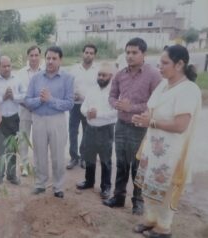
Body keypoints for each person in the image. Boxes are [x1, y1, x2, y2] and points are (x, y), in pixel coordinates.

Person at [132, 45, 201, 238]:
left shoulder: (188, 90)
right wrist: (144, 117)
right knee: (149, 185)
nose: (159, 66)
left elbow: (180, 125)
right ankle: (150, 219)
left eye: (164, 63)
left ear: (179, 64)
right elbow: (152, 109)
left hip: (172, 153)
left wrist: (151, 122)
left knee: (166, 189)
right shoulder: (164, 84)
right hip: (153, 148)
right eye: (159, 62)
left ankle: (164, 227)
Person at [103, 37, 161, 215]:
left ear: (144, 54)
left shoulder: (153, 75)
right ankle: (118, 197)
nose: (130, 56)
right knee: (121, 163)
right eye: (127, 52)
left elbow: (156, 103)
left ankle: (138, 201)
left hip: (140, 128)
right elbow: (111, 96)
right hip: (121, 126)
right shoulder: (120, 75)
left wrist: (132, 107)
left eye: (134, 52)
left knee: (138, 166)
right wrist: (116, 104)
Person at [25, 46, 74, 198]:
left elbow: (69, 103)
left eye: (54, 58)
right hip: (38, 119)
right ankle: (40, 184)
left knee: (58, 155)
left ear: (60, 60)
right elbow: (27, 101)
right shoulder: (36, 78)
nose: (50, 61)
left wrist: (50, 100)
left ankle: (58, 187)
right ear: (44, 59)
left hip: (57, 120)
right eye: (48, 58)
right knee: (39, 154)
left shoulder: (68, 78)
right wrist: (40, 99)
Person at [76, 62, 117, 200]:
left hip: (105, 130)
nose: (101, 77)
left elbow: (115, 113)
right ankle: (89, 181)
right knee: (89, 157)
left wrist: (97, 114)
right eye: (99, 74)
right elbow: (83, 107)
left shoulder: (115, 92)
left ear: (111, 76)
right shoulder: (92, 90)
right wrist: (87, 112)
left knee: (105, 160)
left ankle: (106, 187)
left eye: (104, 75)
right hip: (90, 129)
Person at [0, 56, 22, 185]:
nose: (7, 68)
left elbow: (24, 96)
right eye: (4, 66)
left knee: (12, 148)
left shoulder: (17, 80)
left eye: (9, 66)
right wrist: (3, 97)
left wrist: (14, 97)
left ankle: (11, 175)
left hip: (14, 118)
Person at [67, 43, 98, 170]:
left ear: (95, 55)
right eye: (86, 52)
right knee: (73, 131)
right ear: (82, 53)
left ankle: (84, 157)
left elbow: (98, 91)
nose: (88, 55)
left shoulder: (97, 71)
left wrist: (85, 98)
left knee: (87, 132)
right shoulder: (74, 69)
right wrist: (72, 96)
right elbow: (68, 87)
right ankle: (74, 157)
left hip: (88, 107)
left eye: (91, 53)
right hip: (75, 106)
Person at [17, 46, 42, 177]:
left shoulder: (45, 72)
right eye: (31, 55)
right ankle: (24, 166)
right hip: (24, 111)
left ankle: (38, 166)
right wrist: (28, 105)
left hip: (40, 112)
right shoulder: (21, 73)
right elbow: (17, 94)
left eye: (36, 55)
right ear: (28, 57)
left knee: (39, 140)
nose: (33, 58)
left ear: (40, 56)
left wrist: (37, 105)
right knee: (23, 140)